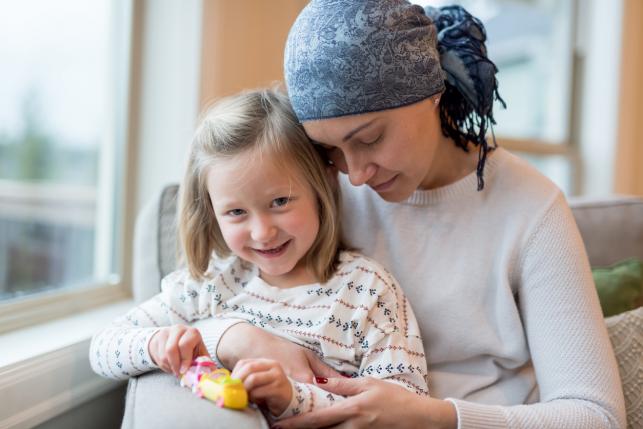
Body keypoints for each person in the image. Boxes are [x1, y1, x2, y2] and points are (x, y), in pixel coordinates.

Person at [200, 2, 625, 428]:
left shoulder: (531, 210)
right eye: (330, 150)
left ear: (432, 93)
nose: (356, 175)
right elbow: (199, 297)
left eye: (370, 138)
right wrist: (234, 337)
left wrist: (433, 418)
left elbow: (597, 416)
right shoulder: (310, 196)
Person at [89, 88, 428, 422]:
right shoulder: (210, 285)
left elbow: (406, 406)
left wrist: (294, 397)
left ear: (322, 185)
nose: (262, 232)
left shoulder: (368, 290)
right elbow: (103, 348)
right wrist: (157, 344)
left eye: (280, 202)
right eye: (236, 212)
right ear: (212, 212)